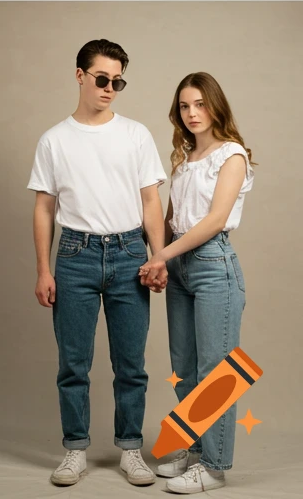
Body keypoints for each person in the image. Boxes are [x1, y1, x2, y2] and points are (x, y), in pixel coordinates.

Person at [28, 39, 166, 488]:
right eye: (102, 79)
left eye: (118, 81)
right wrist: (44, 269)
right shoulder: (54, 139)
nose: (110, 88)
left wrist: (158, 256)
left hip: (129, 254)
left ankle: (130, 449)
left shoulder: (136, 134)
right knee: (73, 363)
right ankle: (74, 450)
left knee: (132, 363)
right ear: (80, 75)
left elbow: (150, 203)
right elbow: (44, 208)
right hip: (75, 256)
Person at [137, 74, 253, 494]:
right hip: (181, 266)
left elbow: (215, 220)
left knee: (215, 373)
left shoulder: (232, 156)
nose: (192, 113)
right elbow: (171, 219)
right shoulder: (183, 159)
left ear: (215, 106)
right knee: (185, 371)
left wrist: (161, 255)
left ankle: (215, 467)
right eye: (185, 106)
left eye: (200, 104)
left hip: (213, 267)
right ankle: (195, 450)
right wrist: (162, 260)